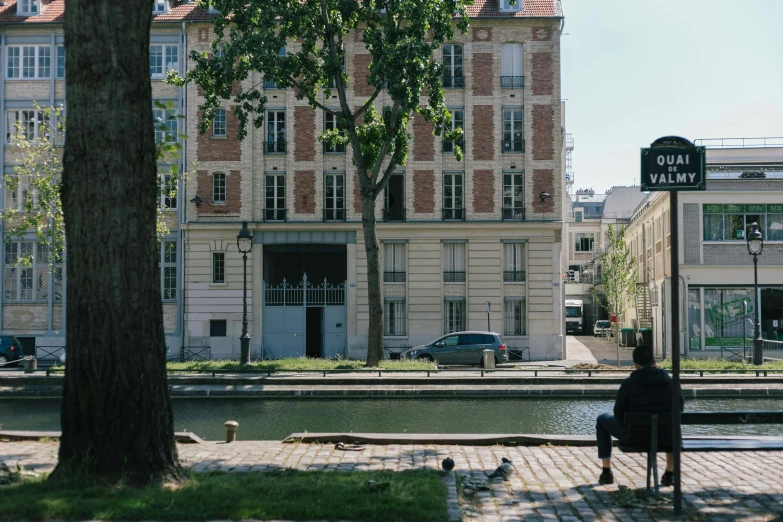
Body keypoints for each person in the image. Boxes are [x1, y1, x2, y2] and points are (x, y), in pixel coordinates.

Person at [595, 344, 683, 487]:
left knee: (602, 420)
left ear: (635, 365)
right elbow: (680, 410)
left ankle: (606, 472)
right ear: (654, 363)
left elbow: (618, 414)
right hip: (666, 438)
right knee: (671, 426)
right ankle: (670, 474)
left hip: (635, 437)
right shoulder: (672, 383)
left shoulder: (629, 384)